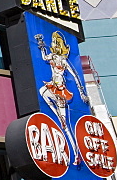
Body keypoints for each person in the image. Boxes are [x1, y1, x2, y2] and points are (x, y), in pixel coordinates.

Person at [35, 31, 88, 165]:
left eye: (55, 43)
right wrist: (42, 47)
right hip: (52, 87)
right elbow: (44, 58)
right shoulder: (52, 57)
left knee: (65, 127)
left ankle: (76, 155)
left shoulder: (63, 61)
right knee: (42, 91)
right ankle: (57, 114)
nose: (53, 45)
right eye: (52, 43)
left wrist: (82, 93)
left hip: (61, 91)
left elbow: (75, 76)